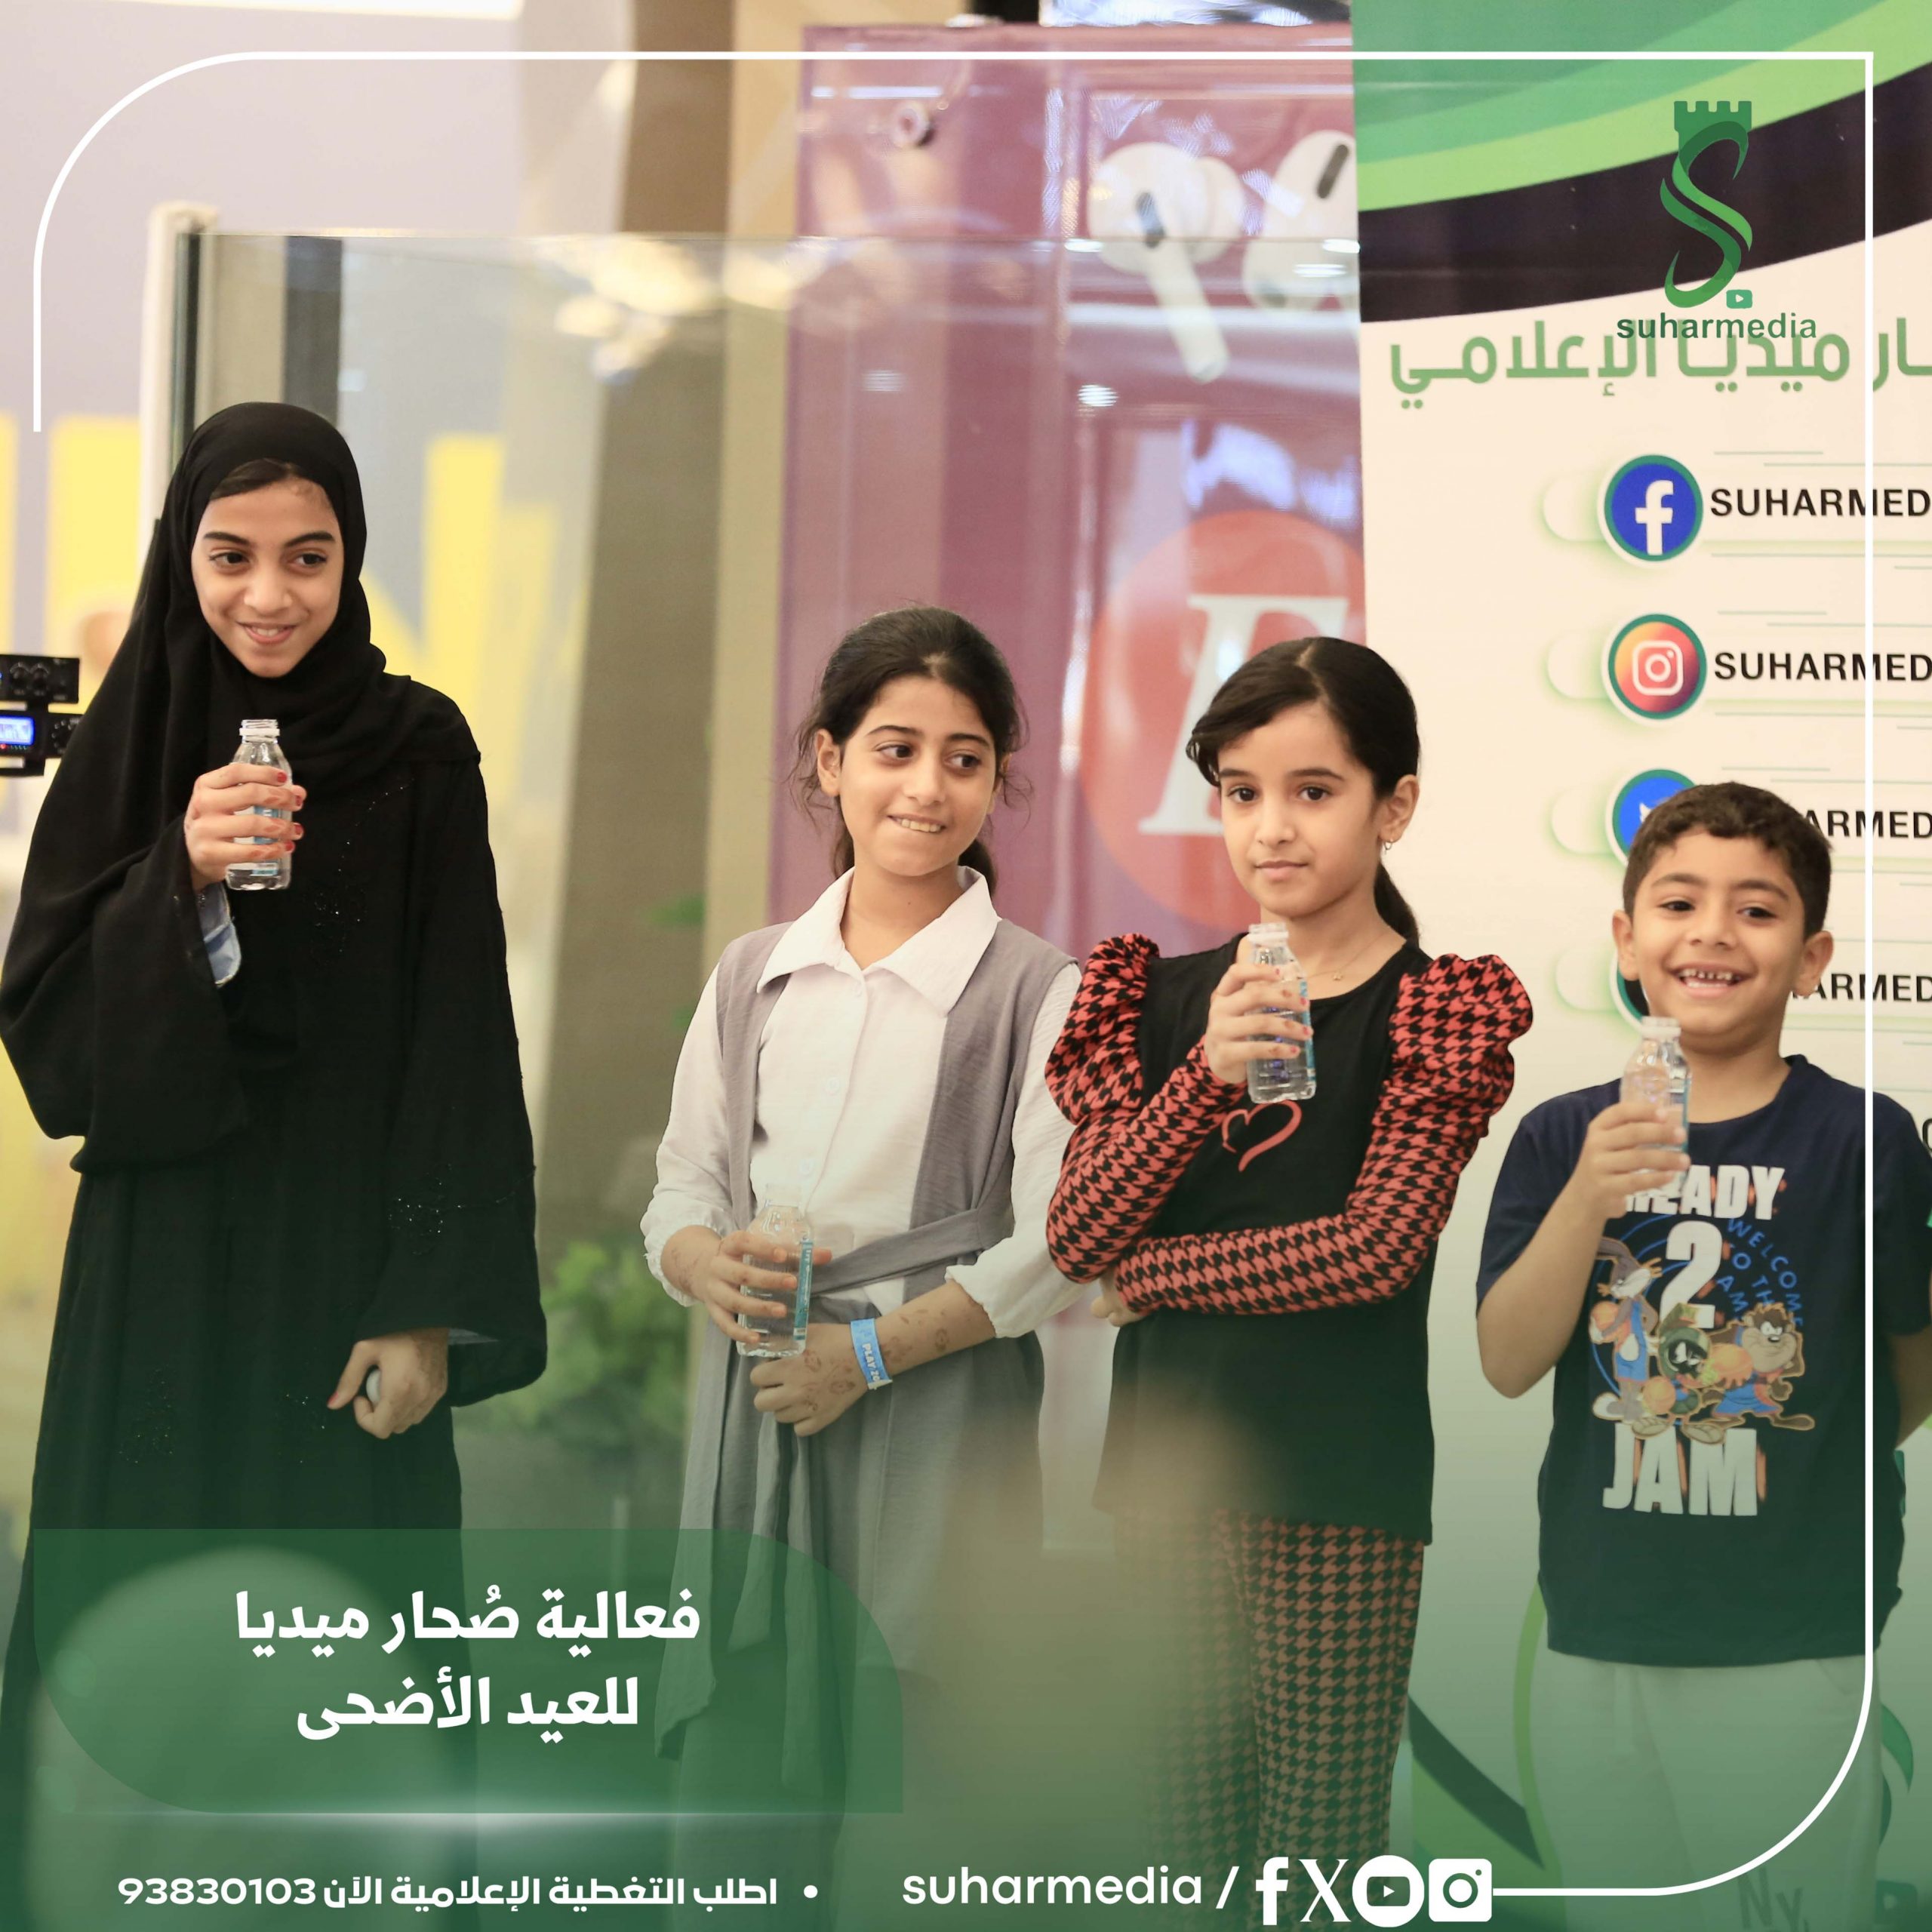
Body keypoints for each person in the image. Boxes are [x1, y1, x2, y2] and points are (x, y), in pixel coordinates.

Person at [0, 404, 544, 1920]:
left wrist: (426, 1301)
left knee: (349, 1641)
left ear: (351, 561)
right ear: (182, 559)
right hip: (159, 1271)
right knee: (134, 1625)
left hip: (339, 1274)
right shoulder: (135, 747)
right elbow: (49, 1036)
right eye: (230, 555)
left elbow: (459, 1031)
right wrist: (173, 877)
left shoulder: (418, 747)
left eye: (309, 556)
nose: (268, 592)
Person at [1044, 636, 1531, 1927]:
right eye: (1242, 792)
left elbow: (1374, 1249)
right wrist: (1200, 1076)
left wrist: (1161, 1272)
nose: (1272, 827)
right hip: (1165, 1476)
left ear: (1394, 805)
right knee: (1179, 1848)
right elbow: (1079, 1234)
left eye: (1315, 791)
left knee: (1317, 1852)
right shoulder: (1153, 998)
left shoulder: (1434, 1009)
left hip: (1338, 1481)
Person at [641, 606, 1081, 1919]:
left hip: (939, 1411)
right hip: (763, 1405)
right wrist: (702, 1265)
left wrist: (869, 1356)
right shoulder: (752, 975)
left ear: (998, 781)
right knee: (743, 1768)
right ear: (829, 760)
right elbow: (684, 1183)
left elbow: (1056, 1244)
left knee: (924, 1768)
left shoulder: (1039, 988)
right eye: (896, 749)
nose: (927, 787)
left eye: (965, 758)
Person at [1475, 782, 1932, 1932]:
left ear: (1813, 957)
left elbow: (1907, 1374)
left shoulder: (1865, 1138)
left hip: (1794, 1641)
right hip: (1596, 1631)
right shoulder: (1561, 1135)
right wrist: (1590, 1192)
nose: (1714, 933)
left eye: (1757, 909)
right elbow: (1507, 1360)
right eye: (1679, 903)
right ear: (1627, 940)